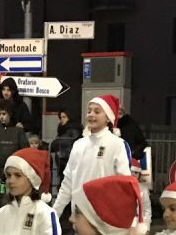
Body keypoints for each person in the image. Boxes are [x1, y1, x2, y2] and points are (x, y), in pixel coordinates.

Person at [53, 95, 132, 224]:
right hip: (79, 217)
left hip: (105, 217)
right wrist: (55, 213)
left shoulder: (117, 144)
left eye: (97, 111)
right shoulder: (79, 144)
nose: (91, 115)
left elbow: (125, 184)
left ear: (108, 117)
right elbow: (68, 182)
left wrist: (129, 220)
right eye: (89, 111)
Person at [0, 100, 30, 168]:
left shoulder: (18, 130)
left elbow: (25, 150)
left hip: (13, 166)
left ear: (10, 114)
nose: (1, 117)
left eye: (4, 114)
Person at [49, 109, 81, 192]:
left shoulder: (73, 129)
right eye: (60, 117)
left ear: (70, 117)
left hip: (67, 157)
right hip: (64, 157)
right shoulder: (64, 129)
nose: (61, 119)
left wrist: (55, 143)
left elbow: (60, 142)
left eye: (64, 117)